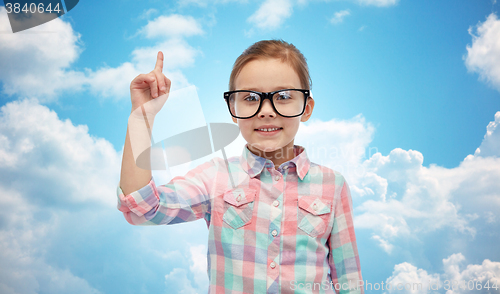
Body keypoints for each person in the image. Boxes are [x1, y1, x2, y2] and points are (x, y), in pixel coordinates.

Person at [118, 40, 364, 294]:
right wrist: (140, 117)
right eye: (249, 97)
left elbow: (349, 282)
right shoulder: (215, 177)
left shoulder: (333, 185)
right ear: (232, 109)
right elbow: (143, 208)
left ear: (306, 107)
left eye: (282, 96)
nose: (266, 111)